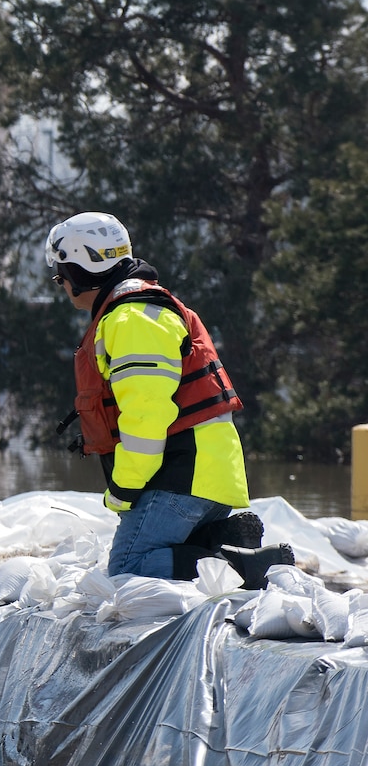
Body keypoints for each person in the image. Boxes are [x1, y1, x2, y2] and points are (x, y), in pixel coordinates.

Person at [45, 212, 292, 585]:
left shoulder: (132, 320)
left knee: (129, 566)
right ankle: (226, 545)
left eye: (61, 274)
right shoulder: (139, 312)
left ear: (80, 271)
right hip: (202, 473)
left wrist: (122, 489)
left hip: (181, 475)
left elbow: (147, 414)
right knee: (156, 560)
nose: (60, 283)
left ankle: (243, 569)